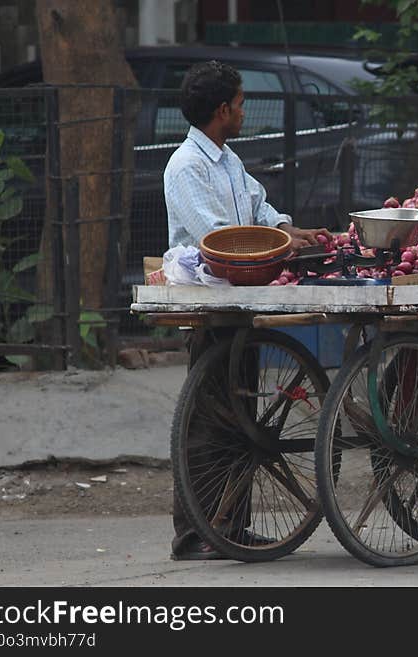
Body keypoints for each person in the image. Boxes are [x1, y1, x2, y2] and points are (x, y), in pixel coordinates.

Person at [164, 60, 330, 560]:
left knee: (241, 418)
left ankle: (230, 527)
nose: (242, 112)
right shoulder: (186, 167)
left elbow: (258, 212)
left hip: (244, 299)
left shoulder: (228, 160)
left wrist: (289, 230)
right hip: (212, 301)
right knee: (209, 424)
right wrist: (280, 242)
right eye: (238, 105)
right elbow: (221, 238)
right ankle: (195, 534)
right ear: (221, 110)